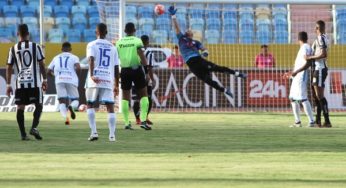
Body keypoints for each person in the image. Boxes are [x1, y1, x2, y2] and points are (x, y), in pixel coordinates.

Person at [168, 6, 246, 97]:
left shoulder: (196, 42)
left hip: (198, 60)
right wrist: (173, 16)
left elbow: (204, 49)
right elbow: (176, 28)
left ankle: (238, 74)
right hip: (191, 64)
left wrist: (205, 52)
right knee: (207, 80)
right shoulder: (181, 38)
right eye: (188, 29)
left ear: (192, 34)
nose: (188, 30)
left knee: (218, 68)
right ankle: (225, 90)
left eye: (190, 30)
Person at [6, 24, 46, 140]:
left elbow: (8, 66)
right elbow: (42, 64)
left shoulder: (13, 48)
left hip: (20, 83)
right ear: (28, 34)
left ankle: (23, 134)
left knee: (20, 107)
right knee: (38, 105)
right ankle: (34, 127)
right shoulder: (36, 46)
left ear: (18, 34)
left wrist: (8, 85)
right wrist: (45, 80)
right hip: (34, 83)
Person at [292, 20, 332, 128]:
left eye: (315, 28)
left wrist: (310, 57)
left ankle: (327, 121)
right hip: (318, 69)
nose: (314, 29)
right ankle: (318, 120)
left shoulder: (321, 38)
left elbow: (323, 54)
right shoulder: (323, 38)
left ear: (318, 28)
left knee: (319, 96)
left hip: (320, 69)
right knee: (316, 96)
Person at [85, 23, 120, 141]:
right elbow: (116, 67)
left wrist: (92, 75)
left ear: (96, 32)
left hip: (94, 79)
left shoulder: (91, 44)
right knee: (110, 106)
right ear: (106, 33)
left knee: (90, 104)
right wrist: (116, 84)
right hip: (108, 78)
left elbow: (91, 59)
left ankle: (94, 132)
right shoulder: (112, 47)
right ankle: (112, 135)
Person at [116, 22, 151, 130]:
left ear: (125, 31)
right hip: (137, 70)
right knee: (144, 95)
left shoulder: (119, 42)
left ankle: (127, 123)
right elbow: (142, 55)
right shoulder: (137, 40)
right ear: (134, 30)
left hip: (125, 70)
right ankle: (143, 121)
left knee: (125, 97)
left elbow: (116, 59)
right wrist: (147, 72)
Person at [284, 32, 315, 128]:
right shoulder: (303, 48)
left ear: (298, 39)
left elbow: (308, 63)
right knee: (293, 98)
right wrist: (292, 72)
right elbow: (300, 63)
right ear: (307, 38)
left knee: (303, 98)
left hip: (302, 76)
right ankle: (297, 122)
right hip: (297, 76)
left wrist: (296, 72)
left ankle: (311, 121)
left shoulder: (306, 47)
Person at [48, 42, 81, 125]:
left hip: (59, 80)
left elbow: (48, 71)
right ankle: (71, 107)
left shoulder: (56, 57)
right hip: (71, 79)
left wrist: (55, 75)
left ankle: (66, 118)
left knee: (62, 101)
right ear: (70, 49)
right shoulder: (74, 57)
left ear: (62, 49)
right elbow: (78, 68)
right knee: (75, 100)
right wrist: (75, 76)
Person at [132, 35, 155, 125]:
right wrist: (152, 79)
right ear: (148, 42)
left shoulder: (134, 51)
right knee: (148, 99)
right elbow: (149, 67)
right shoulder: (149, 53)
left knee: (137, 99)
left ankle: (138, 119)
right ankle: (144, 117)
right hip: (145, 78)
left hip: (135, 77)